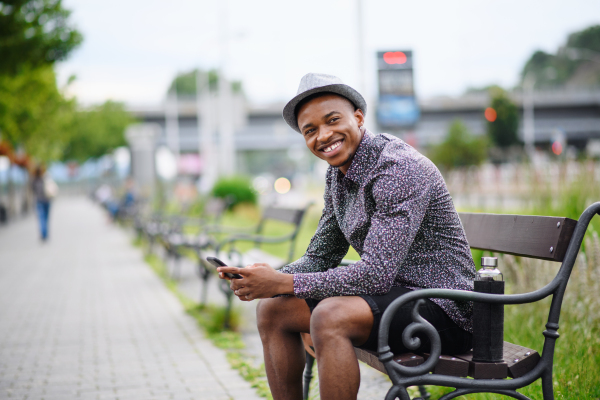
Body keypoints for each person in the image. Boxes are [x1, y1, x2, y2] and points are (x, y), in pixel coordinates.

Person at [217, 73, 476, 400]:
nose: (323, 136)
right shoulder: (337, 177)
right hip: (396, 298)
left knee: (330, 316)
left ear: (358, 117)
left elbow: (376, 274)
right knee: (273, 309)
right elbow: (320, 256)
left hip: (447, 309)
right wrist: (269, 279)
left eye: (332, 120)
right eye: (310, 130)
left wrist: (285, 283)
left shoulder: (397, 168)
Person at [31, 166, 53, 241]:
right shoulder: (45, 178)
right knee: (46, 218)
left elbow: (32, 190)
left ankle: (43, 234)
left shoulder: (34, 180)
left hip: (39, 200)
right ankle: (45, 233)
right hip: (46, 200)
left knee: (41, 218)